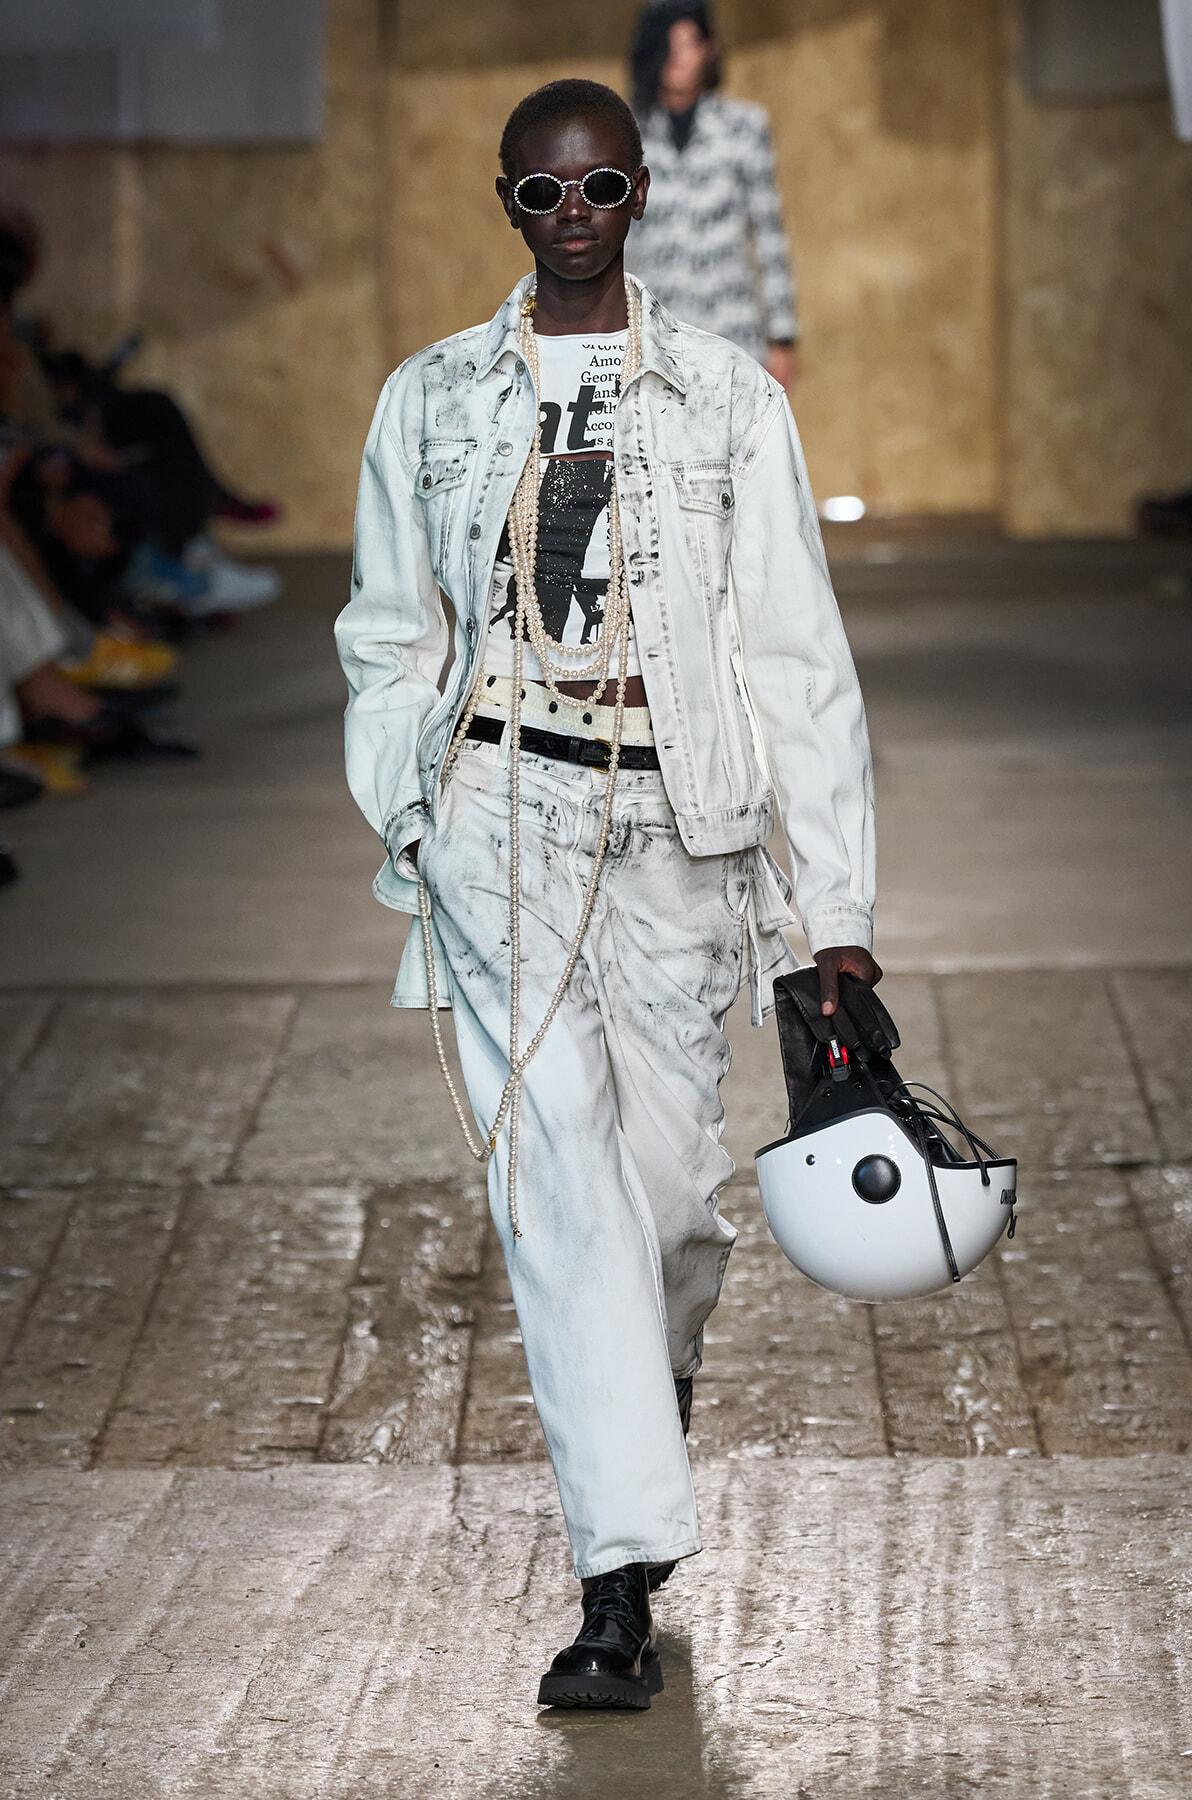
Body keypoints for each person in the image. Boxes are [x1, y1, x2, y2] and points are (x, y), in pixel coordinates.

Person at [336, 77, 876, 1711]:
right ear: (506, 205)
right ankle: (612, 1586)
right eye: (538, 198)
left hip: (676, 837)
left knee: (661, 1211)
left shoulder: (724, 399)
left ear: (639, 197)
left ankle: (663, 1378)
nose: (570, 222)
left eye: (599, 193)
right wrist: (409, 804)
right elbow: (388, 625)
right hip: (500, 821)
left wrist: (835, 910)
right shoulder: (429, 402)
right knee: (560, 1197)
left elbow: (796, 657)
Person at [624, 0, 800, 389]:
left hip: (733, 336)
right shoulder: (629, 137)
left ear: (709, 50)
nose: (679, 57)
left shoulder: (744, 128)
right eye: (669, 44)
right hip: (658, 340)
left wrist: (782, 336)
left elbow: (769, 235)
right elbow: (623, 243)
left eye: (690, 43)